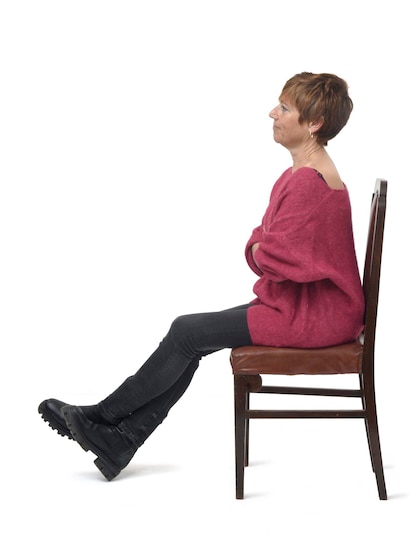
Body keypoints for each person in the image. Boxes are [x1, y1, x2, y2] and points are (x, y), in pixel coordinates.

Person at [38, 72, 365, 481]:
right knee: (190, 337)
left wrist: (258, 245)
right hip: (304, 308)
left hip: (311, 316)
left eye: (284, 108)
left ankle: (106, 420)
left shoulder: (308, 183)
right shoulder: (303, 173)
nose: (272, 113)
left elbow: (274, 256)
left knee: (186, 333)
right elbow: (269, 244)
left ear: (313, 123)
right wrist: (261, 244)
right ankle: (117, 437)